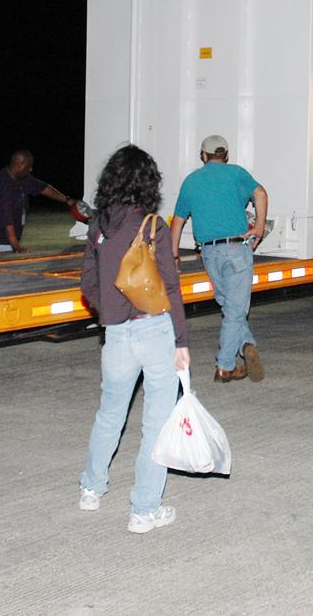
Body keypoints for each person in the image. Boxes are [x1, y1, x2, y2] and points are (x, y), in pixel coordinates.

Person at [77, 144, 190, 534]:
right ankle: (144, 509)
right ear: (147, 183)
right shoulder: (153, 226)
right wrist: (181, 341)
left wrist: (107, 310)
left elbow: (88, 283)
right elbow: (171, 288)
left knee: (110, 413)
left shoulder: (98, 226)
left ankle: (91, 489)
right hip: (155, 328)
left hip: (116, 335)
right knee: (156, 423)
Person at [169, 134, 268, 383]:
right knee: (235, 310)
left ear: (203, 156)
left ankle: (246, 343)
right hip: (236, 249)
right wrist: (259, 227)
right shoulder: (237, 173)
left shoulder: (191, 181)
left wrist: (174, 255)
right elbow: (261, 194)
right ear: (226, 155)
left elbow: (178, 222)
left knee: (228, 305)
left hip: (209, 251)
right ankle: (225, 366)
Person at [0, 149, 75, 253]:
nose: (31, 169)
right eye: (29, 167)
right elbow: (7, 221)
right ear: (19, 165)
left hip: (3, 238)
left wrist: (67, 200)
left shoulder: (21, 178)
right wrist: (17, 248)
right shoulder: (3, 185)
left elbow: (44, 188)